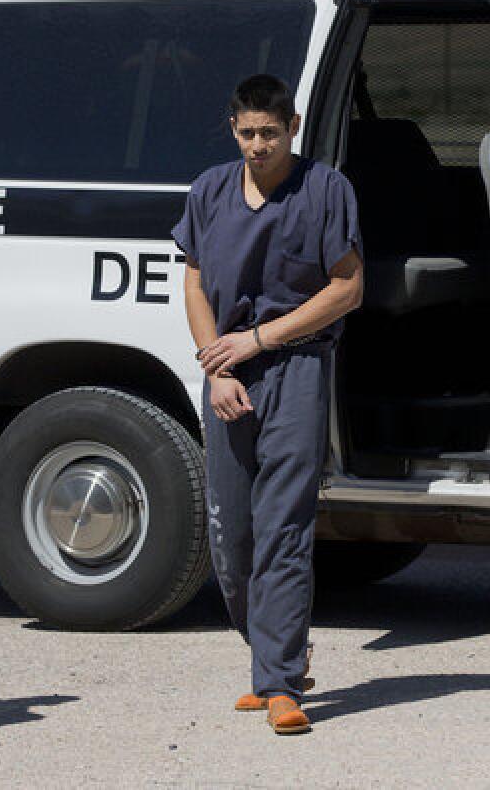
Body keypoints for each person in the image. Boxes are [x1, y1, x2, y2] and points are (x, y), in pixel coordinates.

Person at [172, 73, 363, 735]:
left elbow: (346, 289)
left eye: (270, 134)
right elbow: (194, 282)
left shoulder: (325, 189)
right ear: (233, 129)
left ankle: (280, 684)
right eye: (248, 133)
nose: (258, 146)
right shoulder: (209, 190)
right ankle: (274, 653)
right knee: (231, 536)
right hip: (228, 376)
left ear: (293, 127)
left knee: (283, 528)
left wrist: (259, 339)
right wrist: (218, 363)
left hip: (298, 366)